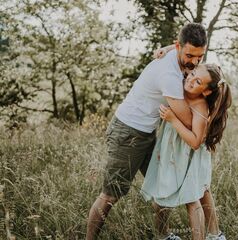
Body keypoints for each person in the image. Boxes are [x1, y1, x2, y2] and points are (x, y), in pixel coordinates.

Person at [86, 23, 207, 240]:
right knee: (110, 195)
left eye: (200, 56)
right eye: (190, 55)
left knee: (162, 188)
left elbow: (183, 51)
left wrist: (168, 48)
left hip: (148, 132)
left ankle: (163, 236)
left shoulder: (176, 54)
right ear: (179, 46)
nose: (194, 62)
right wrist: (204, 110)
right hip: (128, 133)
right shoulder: (168, 75)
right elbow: (187, 120)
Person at [141, 63, 232, 240]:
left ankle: (209, 236)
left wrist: (173, 119)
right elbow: (178, 57)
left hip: (189, 156)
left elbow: (195, 142)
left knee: (194, 196)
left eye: (198, 81)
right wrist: (165, 50)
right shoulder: (179, 87)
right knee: (161, 194)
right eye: (193, 74)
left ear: (206, 91)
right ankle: (162, 235)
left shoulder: (199, 105)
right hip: (171, 154)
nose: (191, 79)